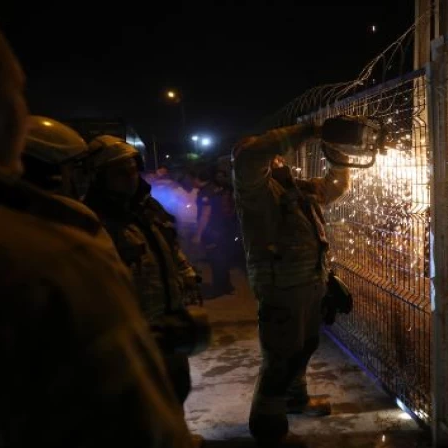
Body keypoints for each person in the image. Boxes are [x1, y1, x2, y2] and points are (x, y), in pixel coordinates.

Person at [0, 4, 193, 448]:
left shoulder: (141, 213)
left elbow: (168, 254)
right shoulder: (52, 253)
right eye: (15, 91)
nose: (130, 179)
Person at [232, 118, 366, 444]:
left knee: (304, 347)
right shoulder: (253, 189)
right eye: (269, 154)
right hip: (281, 287)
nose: (275, 157)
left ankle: (295, 400)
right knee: (279, 359)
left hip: (308, 282)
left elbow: (334, 187)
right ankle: (268, 428)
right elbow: (252, 155)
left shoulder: (295, 187)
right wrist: (310, 130)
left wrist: (335, 153)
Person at [83, 136, 202, 411]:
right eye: (120, 173)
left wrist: (187, 275)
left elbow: (170, 248)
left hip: (169, 321)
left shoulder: (148, 209)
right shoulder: (92, 220)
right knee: (142, 402)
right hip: (131, 331)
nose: (130, 178)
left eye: (133, 170)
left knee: (176, 387)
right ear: (100, 177)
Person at [193, 166, 235, 299]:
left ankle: (218, 288)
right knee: (223, 258)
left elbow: (205, 214)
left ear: (197, 178)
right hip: (224, 228)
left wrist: (198, 234)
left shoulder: (205, 192)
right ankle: (227, 285)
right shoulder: (217, 188)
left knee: (216, 260)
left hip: (212, 230)